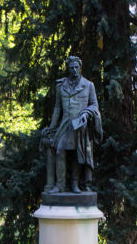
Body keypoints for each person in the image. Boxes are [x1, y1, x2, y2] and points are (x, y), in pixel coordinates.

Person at [41, 56, 102, 193]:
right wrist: (52, 127)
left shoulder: (88, 85)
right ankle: (60, 184)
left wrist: (86, 113)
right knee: (60, 150)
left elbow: (94, 105)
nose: (74, 70)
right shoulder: (61, 86)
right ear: (68, 69)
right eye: (71, 68)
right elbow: (57, 108)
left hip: (80, 126)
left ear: (80, 68)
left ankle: (75, 184)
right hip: (65, 125)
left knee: (76, 154)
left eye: (76, 67)